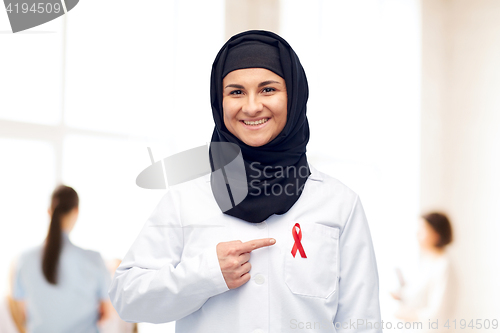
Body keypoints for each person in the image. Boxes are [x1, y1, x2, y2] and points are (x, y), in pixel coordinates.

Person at [109, 30, 382, 332]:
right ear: (219, 101)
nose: (251, 107)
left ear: (294, 96)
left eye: (268, 89)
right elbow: (127, 297)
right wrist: (207, 273)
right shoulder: (186, 199)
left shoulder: (339, 203)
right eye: (236, 92)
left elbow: (362, 323)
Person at [11, 185, 113, 333]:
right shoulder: (94, 260)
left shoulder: (24, 259)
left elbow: (23, 312)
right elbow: (106, 313)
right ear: (76, 212)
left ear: (49, 211)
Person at [392, 212, 455, 331]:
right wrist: (402, 295)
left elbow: (437, 314)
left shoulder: (443, 266)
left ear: (436, 234)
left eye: (422, 230)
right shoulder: (426, 263)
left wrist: (408, 315)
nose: (417, 234)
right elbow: (418, 295)